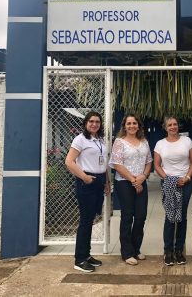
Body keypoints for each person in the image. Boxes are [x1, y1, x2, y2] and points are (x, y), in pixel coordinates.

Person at [65, 111, 110, 273]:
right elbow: (69, 161)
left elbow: (103, 162)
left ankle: (87, 254)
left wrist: (106, 182)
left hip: (99, 181)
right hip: (86, 182)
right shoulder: (80, 139)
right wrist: (84, 177)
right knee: (85, 220)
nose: (94, 124)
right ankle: (80, 259)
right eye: (91, 121)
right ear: (85, 123)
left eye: (97, 122)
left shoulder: (100, 140)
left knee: (91, 219)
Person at [109, 114, 152, 265]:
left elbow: (149, 162)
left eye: (134, 123)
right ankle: (127, 253)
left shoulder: (144, 141)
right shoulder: (119, 142)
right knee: (127, 217)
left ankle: (136, 249)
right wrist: (134, 180)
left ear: (138, 126)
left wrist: (144, 176)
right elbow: (117, 164)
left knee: (141, 216)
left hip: (141, 181)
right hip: (125, 183)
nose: (132, 126)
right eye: (129, 123)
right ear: (124, 126)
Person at [154, 116, 192, 266]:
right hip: (168, 182)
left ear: (178, 126)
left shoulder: (187, 141)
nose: (173, 127)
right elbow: (157, 165)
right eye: (169, 125)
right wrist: (167, 178)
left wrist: (187, 177)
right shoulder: (160, 144)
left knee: (182, 216)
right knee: (170, 216)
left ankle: (179, 250)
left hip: (185, 183)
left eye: (175, 124)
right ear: (165, 128)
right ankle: (168, 251)